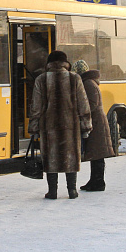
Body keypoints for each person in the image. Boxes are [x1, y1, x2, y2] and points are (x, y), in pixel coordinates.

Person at [28, 51, 92, 199]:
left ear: (49, 64)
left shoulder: (41, 80)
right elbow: (84, 105)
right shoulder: (74, 78)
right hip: (71, 126)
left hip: (49, 127)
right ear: (66, 63)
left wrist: (34, 128)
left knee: (51, 158)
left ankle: (53, 191)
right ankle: (72, 190)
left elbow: (36, 107)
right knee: (70, 156)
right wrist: (86, 126)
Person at [72, 60, 115, 192]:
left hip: (96, 123)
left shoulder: (88, 84)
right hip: (96, 122)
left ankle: (98, 182)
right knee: (96, 153)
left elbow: (92, 104)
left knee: (97, 153)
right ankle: (95, 180)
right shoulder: (89, 82)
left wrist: (80, 111)